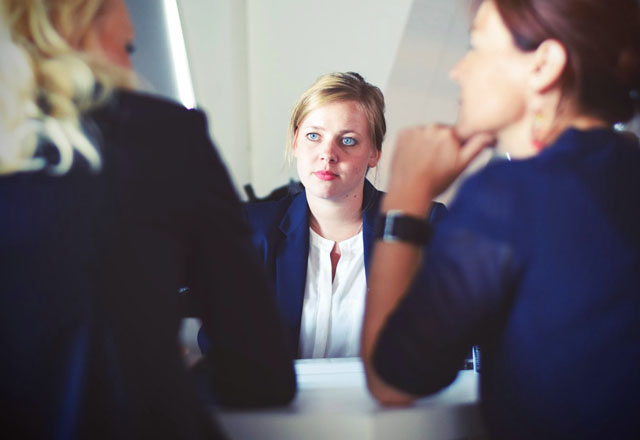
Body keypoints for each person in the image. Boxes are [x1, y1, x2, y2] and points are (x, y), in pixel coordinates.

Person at [0, 1, 295, 439]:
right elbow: (261, 372)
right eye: (129, 49)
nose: (130, 66)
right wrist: (159, 369)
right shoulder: (163, 136)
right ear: (82, 21)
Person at [362, 0, 640, 439]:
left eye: (476, 47)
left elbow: (392, 380)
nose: (458, 71)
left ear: (543, 65)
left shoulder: (509, 195)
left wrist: (406, 194)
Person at [241, 72, 446, 358]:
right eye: (314, 136)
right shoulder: (252, 229)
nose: (327, 154)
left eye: (348, 141)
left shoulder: (423, 225)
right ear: (296, 142)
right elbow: (222, 346)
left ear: (374, 153)